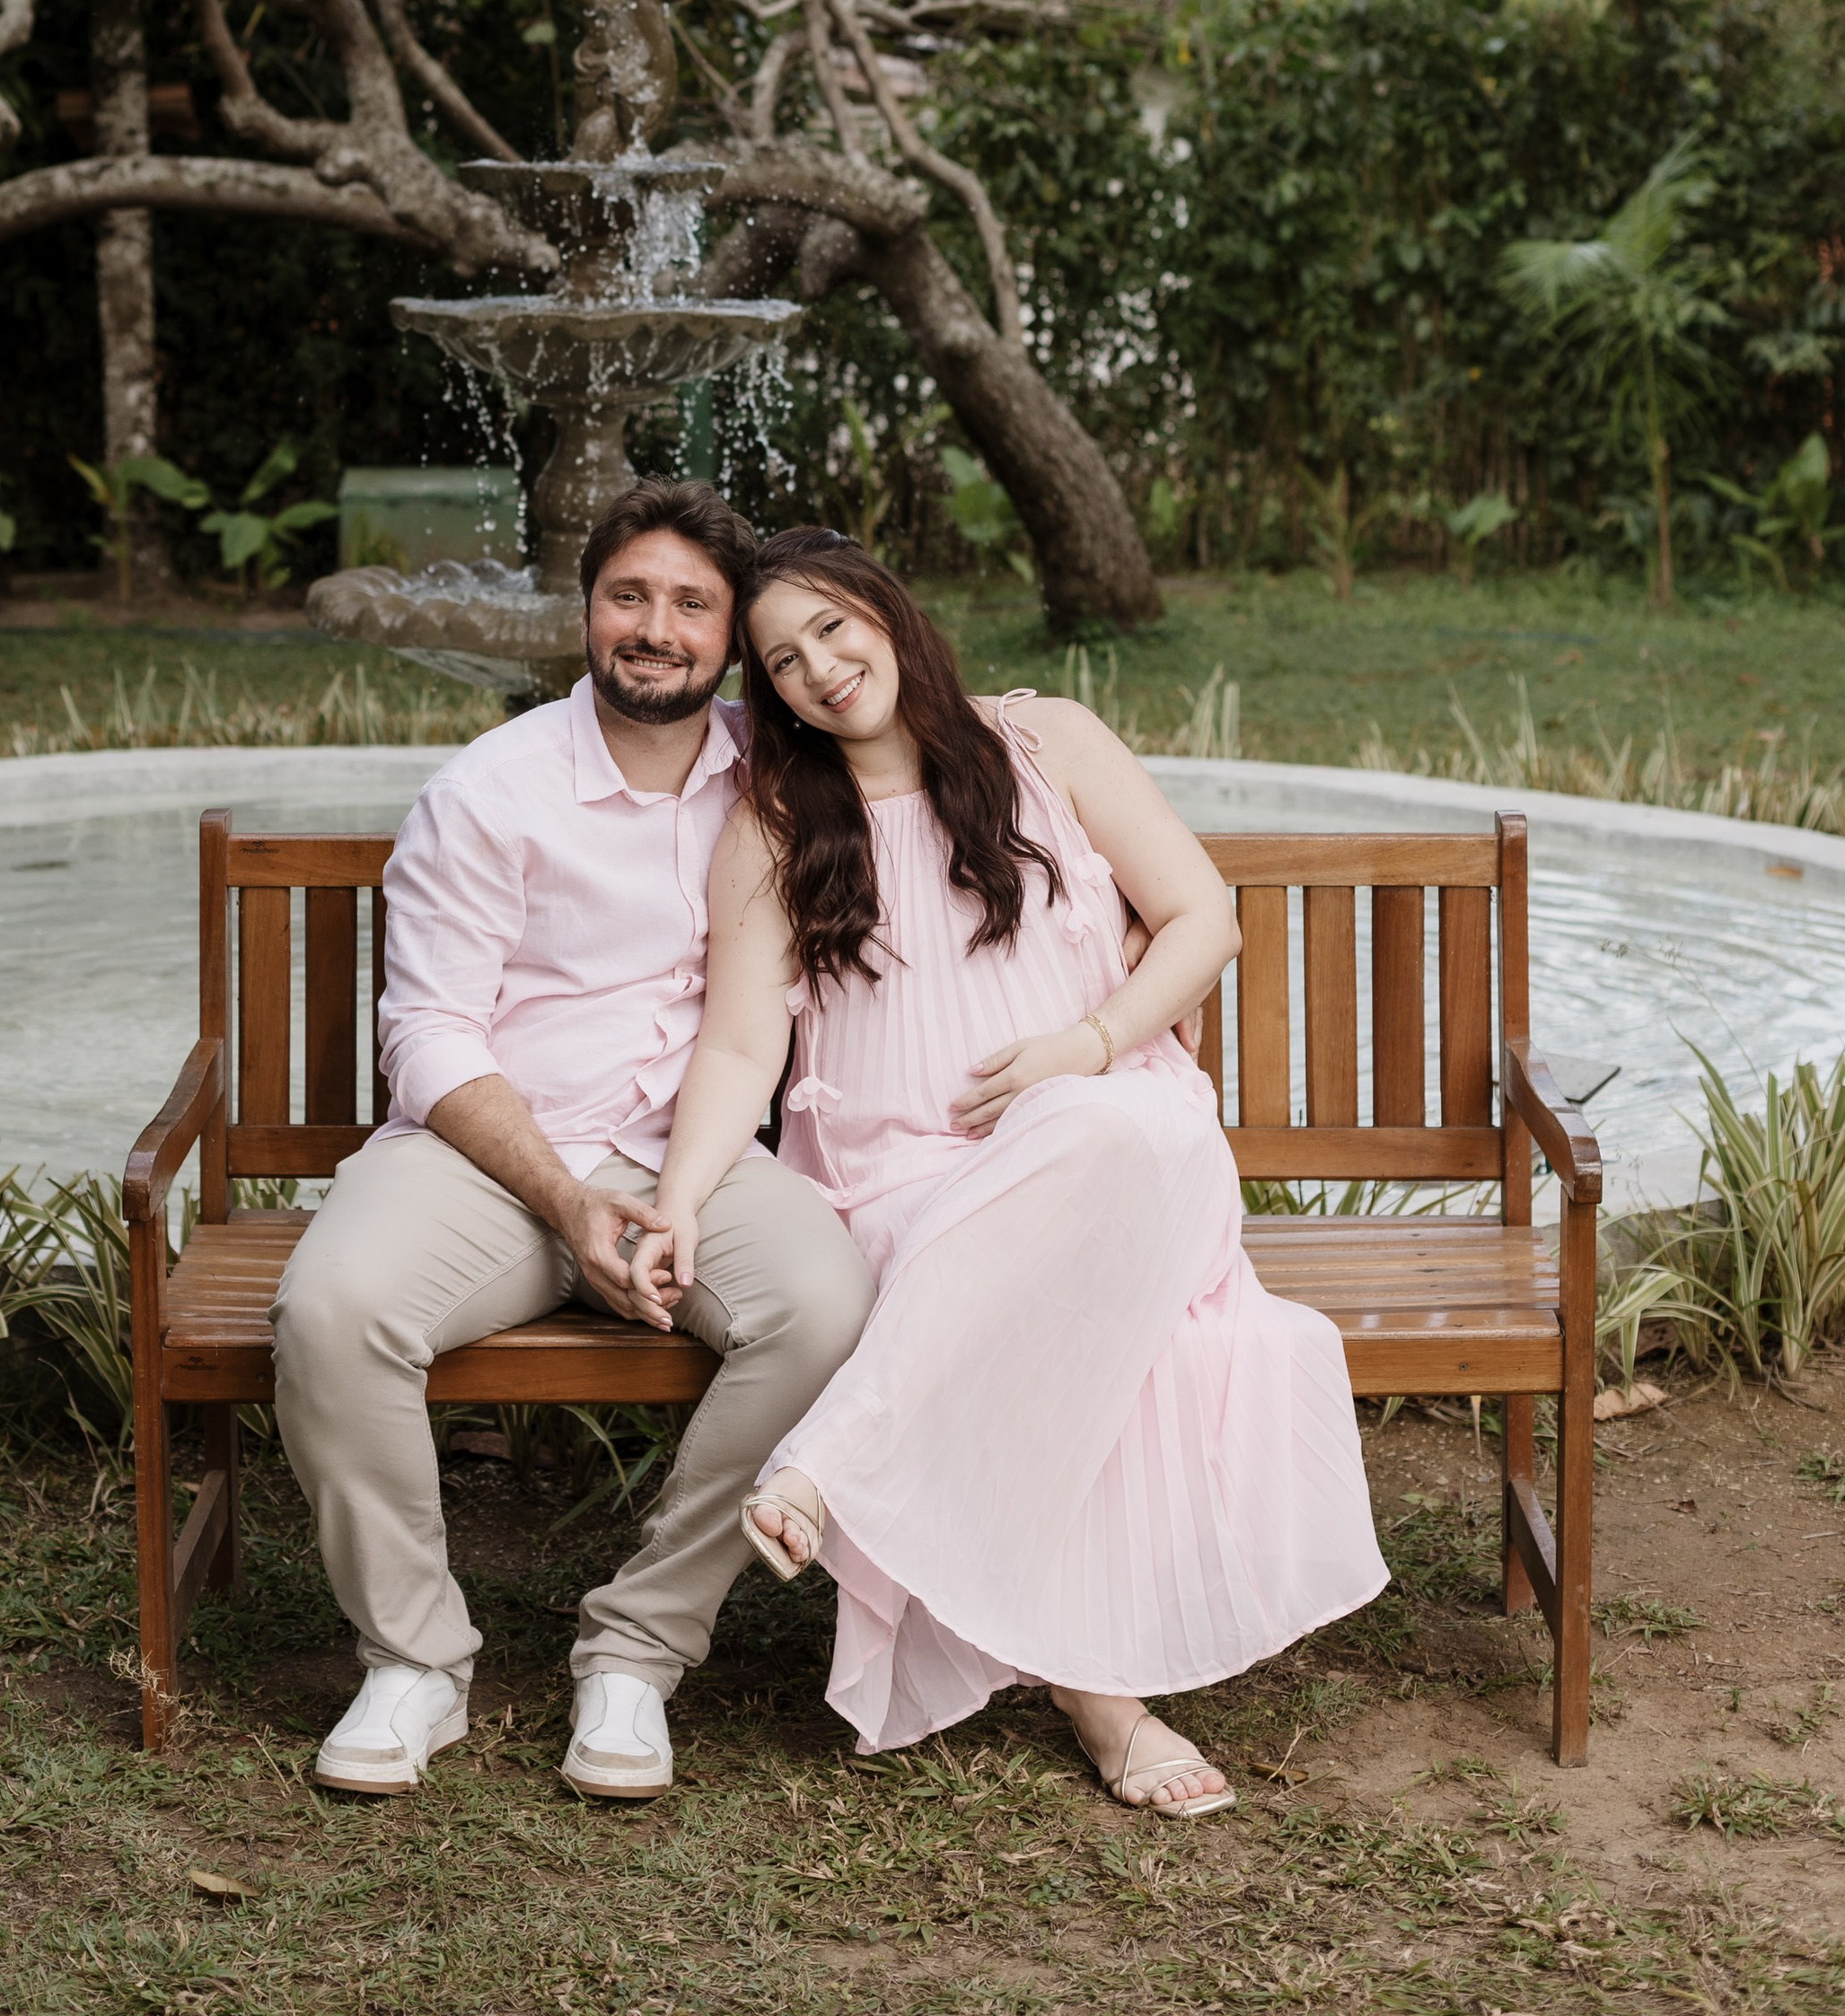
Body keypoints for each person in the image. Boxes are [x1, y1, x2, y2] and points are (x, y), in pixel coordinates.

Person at [635, 526, 1388, 1814]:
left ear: (888, 607)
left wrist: (1087, 1046)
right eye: (783, 658)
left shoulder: (1048, 742)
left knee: (1107, 1129)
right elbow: (741, 1042)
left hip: (1121, 1143)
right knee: (1018, 1282)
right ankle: (1102, 1699)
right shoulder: (772, 822)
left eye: (834, 626)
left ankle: (835, 1454)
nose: (820, 667)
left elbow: (1206, 915)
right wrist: (678, 1197)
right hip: (907, 1188)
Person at [270, 480, 875, 1804]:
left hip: (688, 1158)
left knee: (825, 1302)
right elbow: (427, 1032)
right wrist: (563, 1200)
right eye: (628, 596)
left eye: (690, 604)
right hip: (489, 1155)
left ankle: (638, 1651)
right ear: (587, 612)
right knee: (333, 1304)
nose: (654, 628)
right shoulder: (493, 788)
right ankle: (414, 1660)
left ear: (729, 637)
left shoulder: (776, 782)